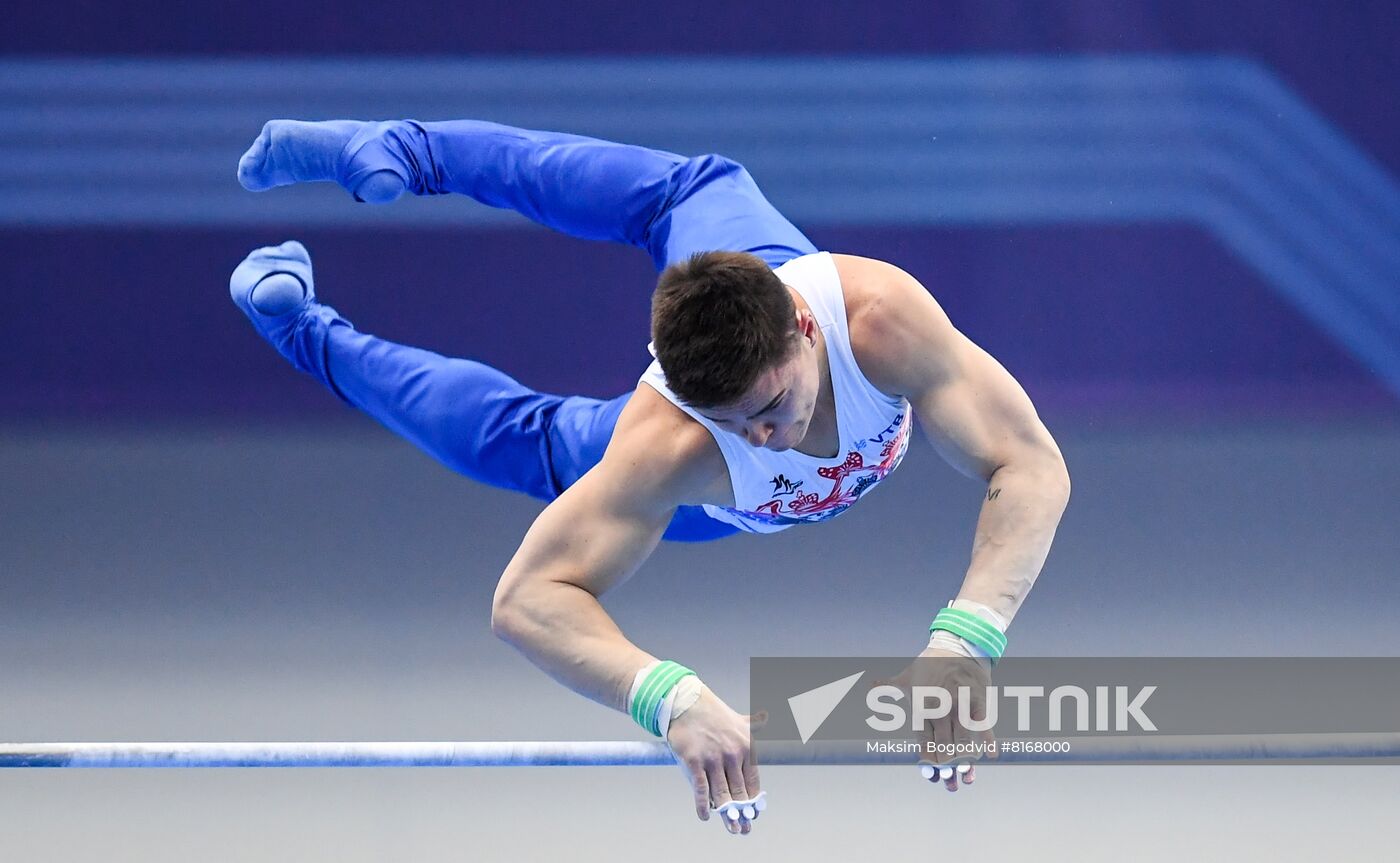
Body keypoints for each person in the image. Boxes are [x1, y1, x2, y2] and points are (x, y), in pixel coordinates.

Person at [230, 119, 1071, 835]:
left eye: (772, 405)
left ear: (804, 331)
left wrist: (966, 640)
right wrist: (668, 698)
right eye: (736, 422)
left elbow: (1030, 462)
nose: (766, 436)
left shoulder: (881, 322)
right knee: (528, 443)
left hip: (765, 318)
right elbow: (525, 599)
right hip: (715, 505)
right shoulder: (672, 446)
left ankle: (409, 152)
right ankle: (309, 326)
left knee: (692, 189)